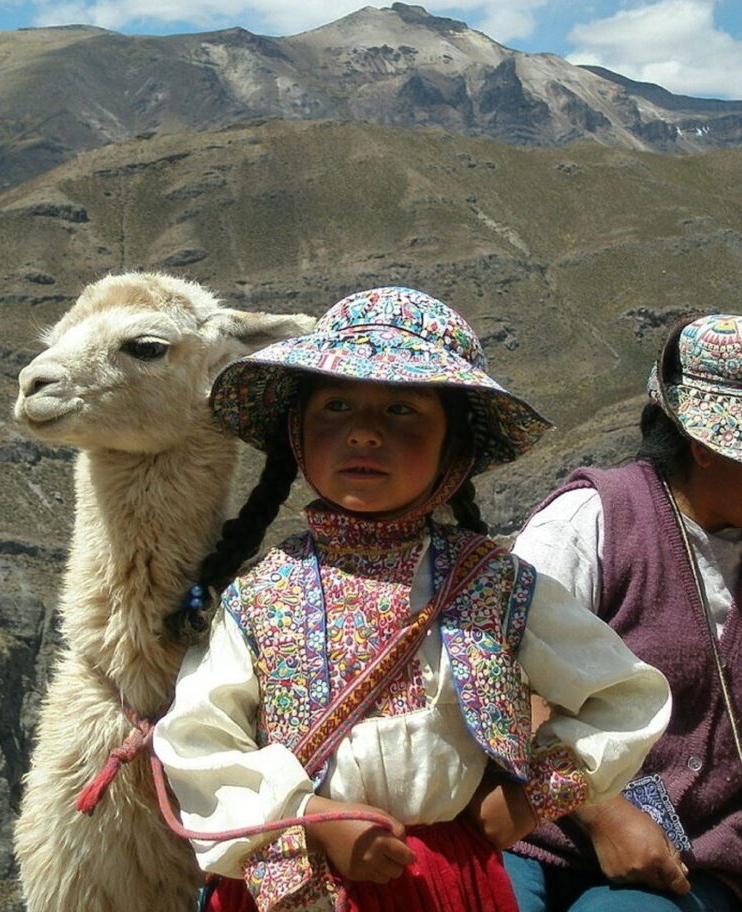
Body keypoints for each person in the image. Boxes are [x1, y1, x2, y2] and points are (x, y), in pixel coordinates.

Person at [153, 286, 671, 912]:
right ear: (297, 432)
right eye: (336, 405)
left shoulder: (492, 584)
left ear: (454, 447)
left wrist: (536, 794)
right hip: (294, 881)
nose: (364, 434)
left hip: (449, 885)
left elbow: (627, 695)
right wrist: (308, 814)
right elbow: (196, 742)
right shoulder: (262, 597)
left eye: (402, 411)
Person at [505, 312, 742, 912]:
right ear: (704, 448)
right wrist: (606, 815)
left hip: (693, 857)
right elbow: (504, 682)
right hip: (537, 827)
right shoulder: (590, 522)